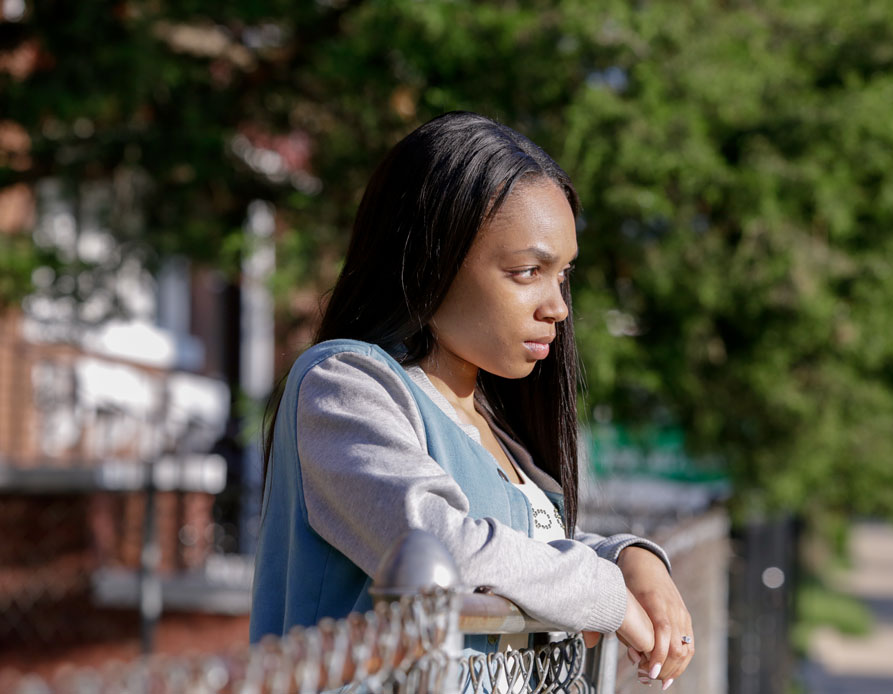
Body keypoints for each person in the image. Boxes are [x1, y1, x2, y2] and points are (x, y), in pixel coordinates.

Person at [249, 111, 693, 689]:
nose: (557, 306)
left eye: (563, 276)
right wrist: (605, 593)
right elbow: (437, 546)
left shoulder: (487, 422)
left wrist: (629, 558)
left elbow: (518, 547)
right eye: (527, 271)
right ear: (432, 258)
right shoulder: (345, 386)